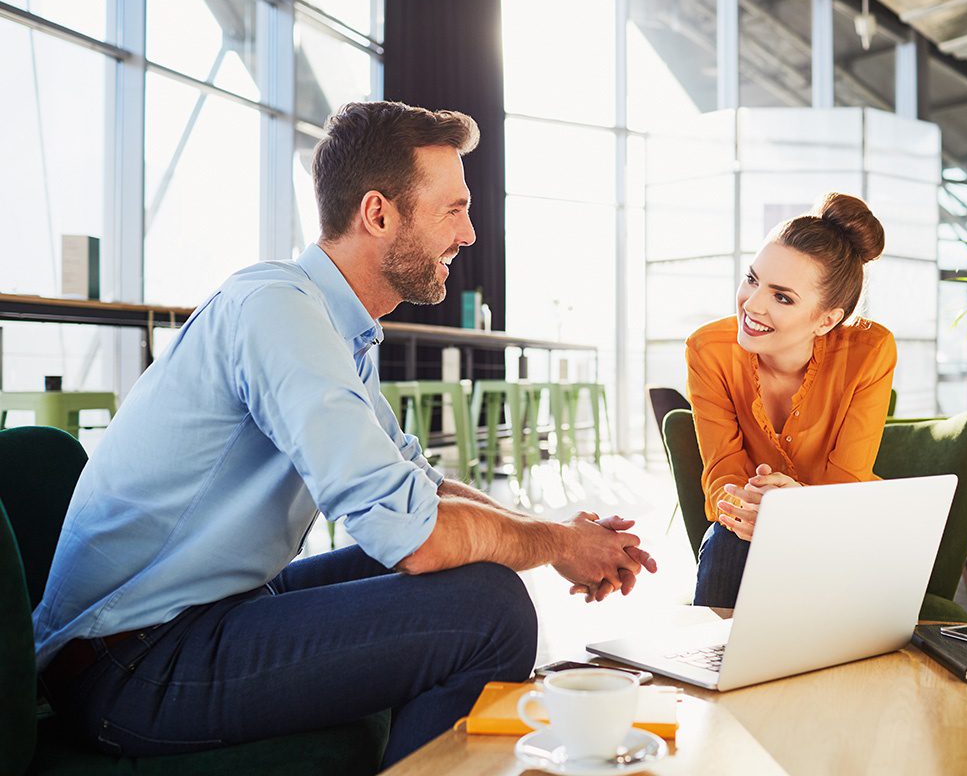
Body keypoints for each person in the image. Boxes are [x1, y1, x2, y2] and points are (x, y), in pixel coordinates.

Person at [32, 101, 657, 767]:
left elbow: (417, 485)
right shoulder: (277, 310)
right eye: (453, 209)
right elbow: (414, 537)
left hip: (201, 617)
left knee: (480, 565)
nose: (468, 235)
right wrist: (557, 541)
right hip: (133, 662)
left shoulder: (330, 325)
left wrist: (556, 537)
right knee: (489, 610)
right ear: (379, 214)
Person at [687, 193, 896, 608]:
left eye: (782, 297)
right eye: (752, 279)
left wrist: (793, 507)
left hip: (837, 526)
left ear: (827, 320)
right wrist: (753, 508)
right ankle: (713, 666)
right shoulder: (708, 349)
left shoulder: (869, 351)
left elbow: (847, 485)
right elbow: (723, 476)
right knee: (730, 535)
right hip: (744, 534)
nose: (753, 304)